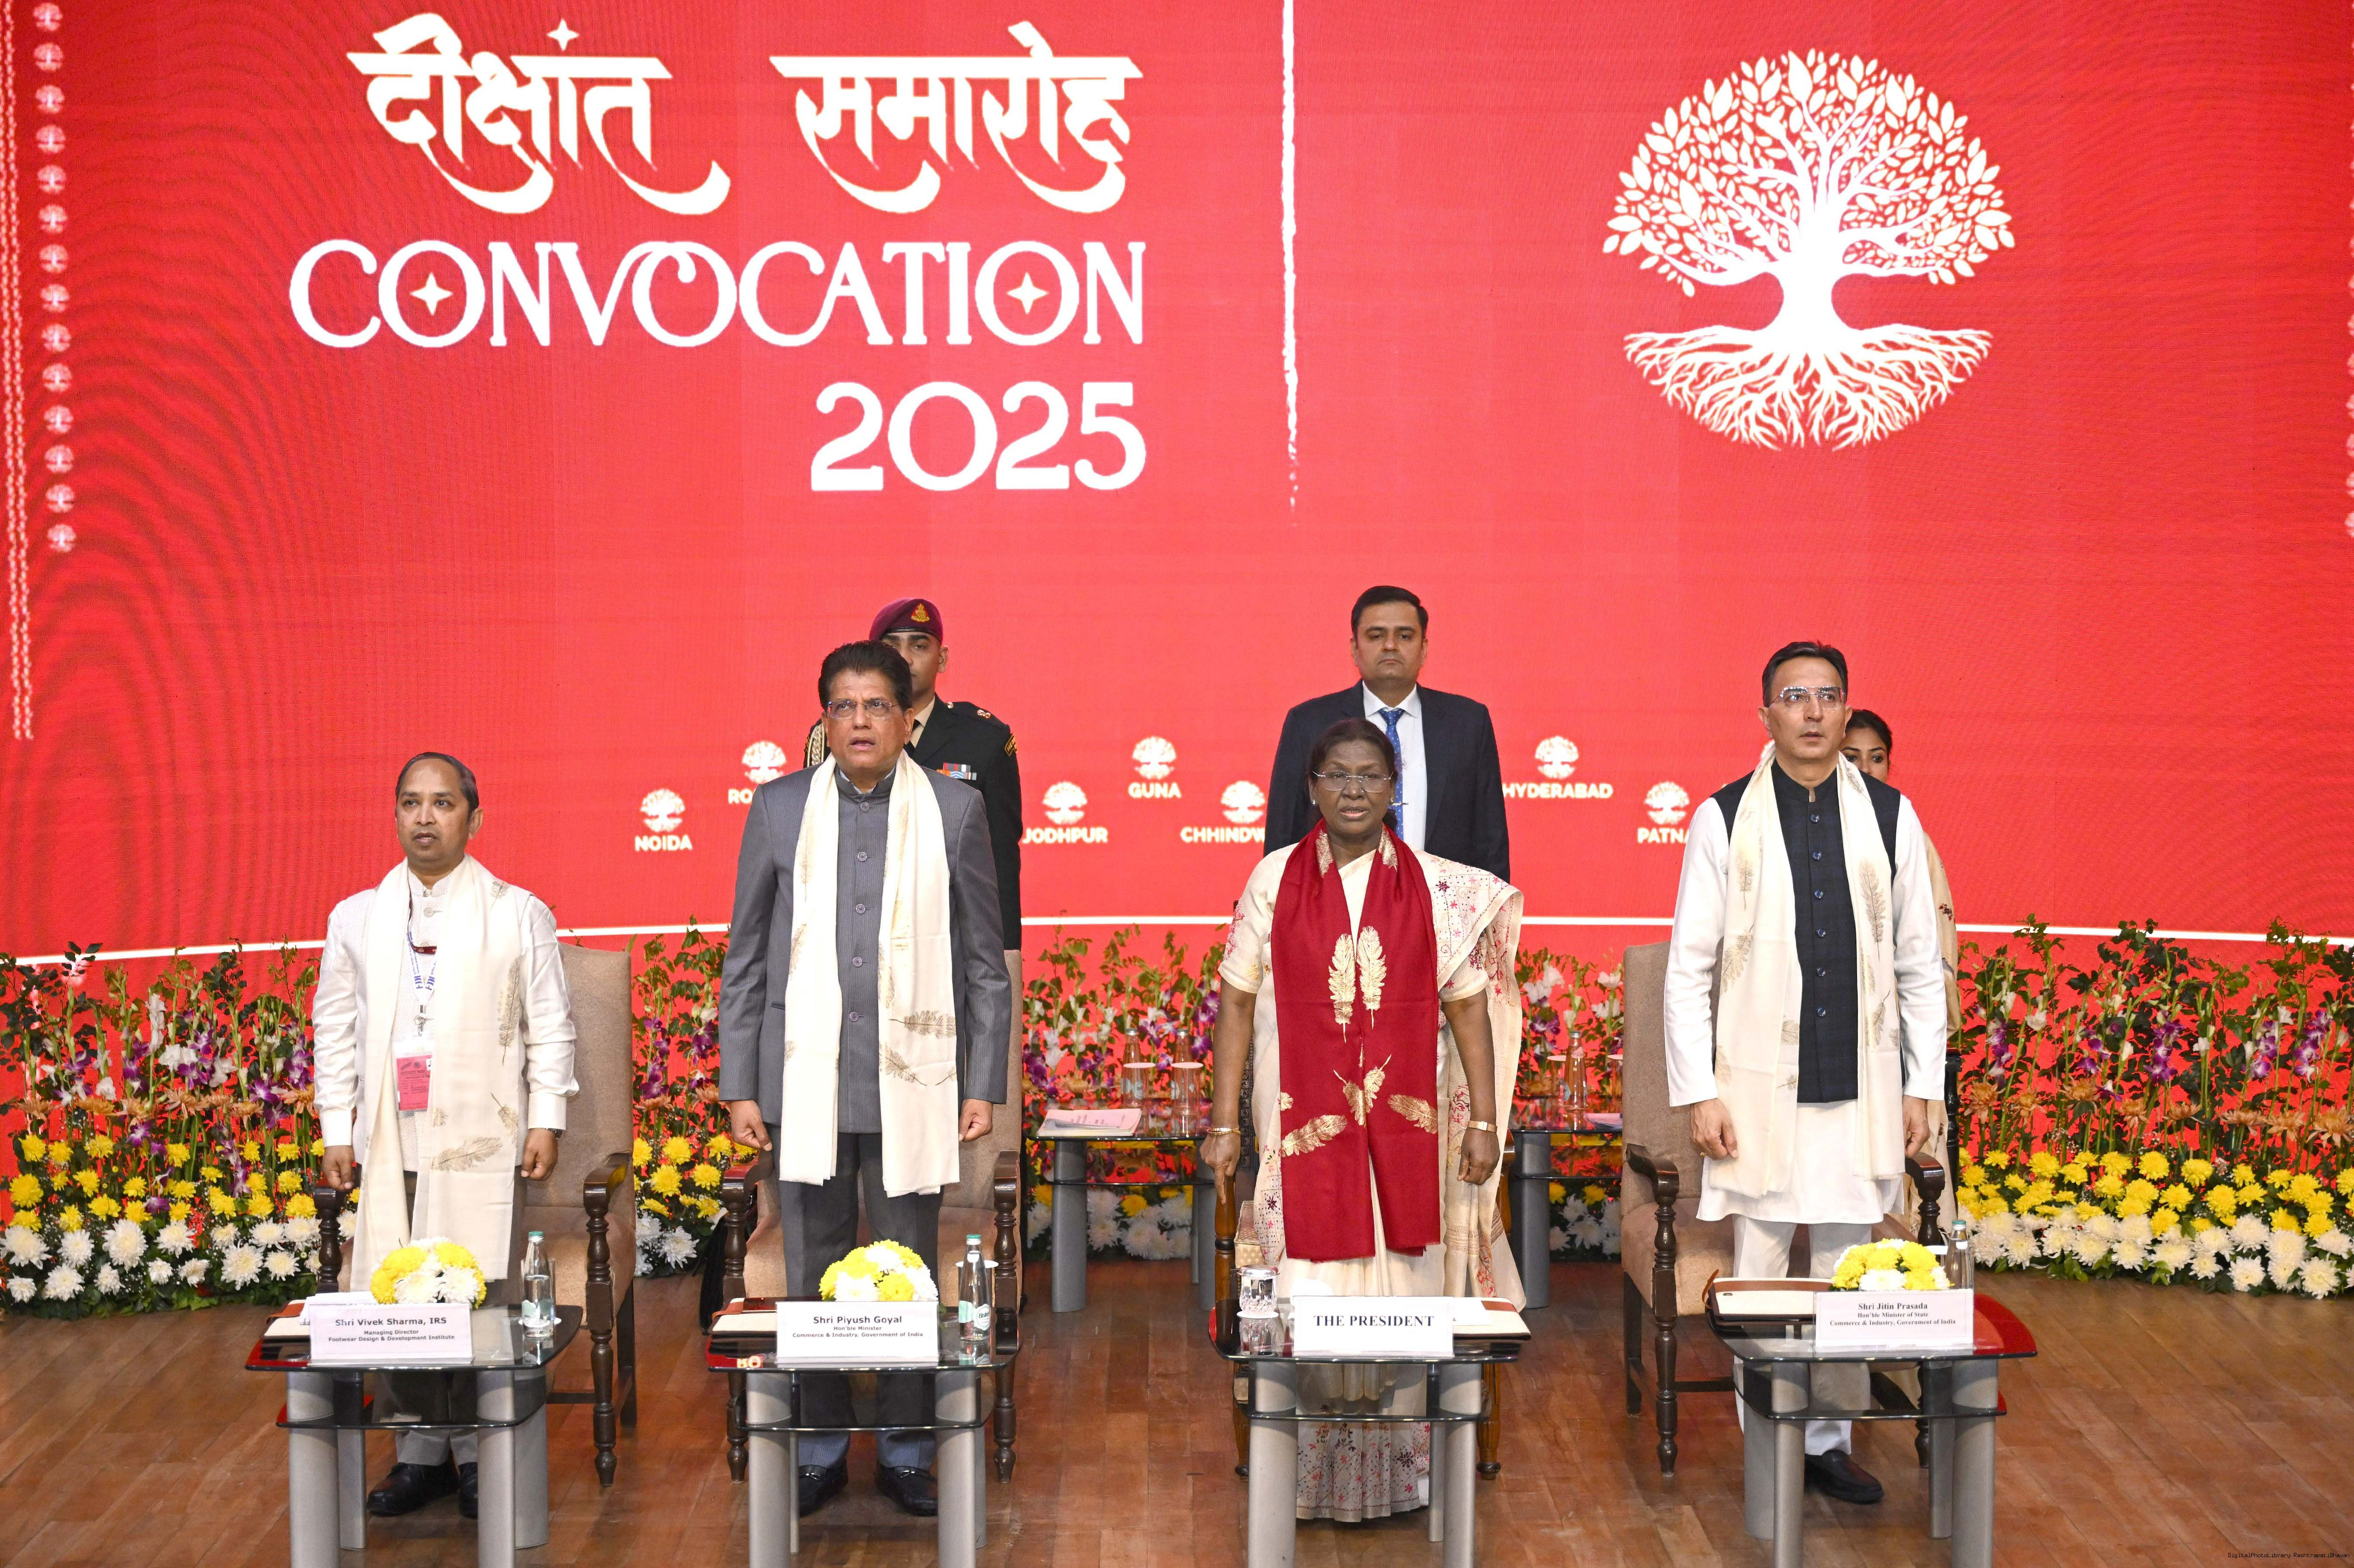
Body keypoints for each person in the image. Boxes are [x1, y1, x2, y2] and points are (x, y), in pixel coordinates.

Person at [1200, 718, 1523, 1521]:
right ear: (1311, 787)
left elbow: (1467, 1009)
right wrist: (1225, 1122)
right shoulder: (1273, 878)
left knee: (1399, 1288)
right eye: (1337, 775)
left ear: (1393, 788)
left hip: (1401, 1136)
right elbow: (1235, 1002)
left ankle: (1394, 1480)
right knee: (1303, 1287)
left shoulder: (1433, 889)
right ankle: (1300, 1478)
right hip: (1298, 1127)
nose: (1354, 789)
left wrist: (1484, 1121)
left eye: (1370, 775)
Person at [723, 640, 1013, 1519]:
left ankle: (905, 1446)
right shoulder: (778, 808)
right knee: (810, 1269)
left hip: (911, 1085)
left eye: (877, 705)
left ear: (905, 718)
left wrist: (981, 1082)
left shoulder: (955, 809)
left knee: (905, 1269)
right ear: (824, 717)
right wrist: (740, 1085)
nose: (859, 720)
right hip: (802, 1083)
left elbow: (983, 961)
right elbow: (746, 958)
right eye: (843, 705)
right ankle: (816, 1448)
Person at [1663, 644, 1947, 1506]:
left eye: (1827, 695)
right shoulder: (1722, 816)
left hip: (1860, 1088)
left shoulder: (1891, 815)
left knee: (1846, 1270)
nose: (1813, 711)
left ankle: (1827, 1442)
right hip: (1756, 1091)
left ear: (1846, 709)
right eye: (1794, 696)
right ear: (1766, 715)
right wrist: (1698, 1091)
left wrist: (1922, 1084)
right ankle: (1769, 1441)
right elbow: (1689, 968)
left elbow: (1918, 964)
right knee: (1759, 1272)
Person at [313, 753, 578, 1521]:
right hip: (390, 1134)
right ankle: (419, 1451)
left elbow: (549, 1024)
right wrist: (337, 1128)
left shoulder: (517, 912)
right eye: (410, 803)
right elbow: (334, 1028)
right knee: (394, 1287)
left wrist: (546, 1117)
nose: (424, 817)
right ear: (395, 815)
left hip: (481, 1138)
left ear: (474, 817)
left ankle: (478, 1452)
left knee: (475, 1289)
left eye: (442, 803)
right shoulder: (356, 917)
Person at [804, 596, 1024, 1118]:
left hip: (946, 953)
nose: (905, 657)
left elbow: (999, 865)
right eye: (893, 645)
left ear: (942, 658)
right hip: (857, 953)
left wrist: (1000, 962)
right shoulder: (834, 732)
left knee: (946, 1104)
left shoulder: (984, 739)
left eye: (919, 645)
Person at [1264, 586, 1510, 881]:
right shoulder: (1308, 723)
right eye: (1376, 636)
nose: (1391, 646)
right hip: (1334, 901)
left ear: (1424, 649)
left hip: (1444, 902)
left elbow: (1490, 837)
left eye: (1404, 636)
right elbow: (1283, 835)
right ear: (1355, 649)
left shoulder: (1468, 723)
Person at [1841, 709, 1961, 1038]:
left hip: (1892, 1016)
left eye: (1876, 758)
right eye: (1851, 758)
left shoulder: (1908, 837)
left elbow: (1936, 932)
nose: (1865, 769)